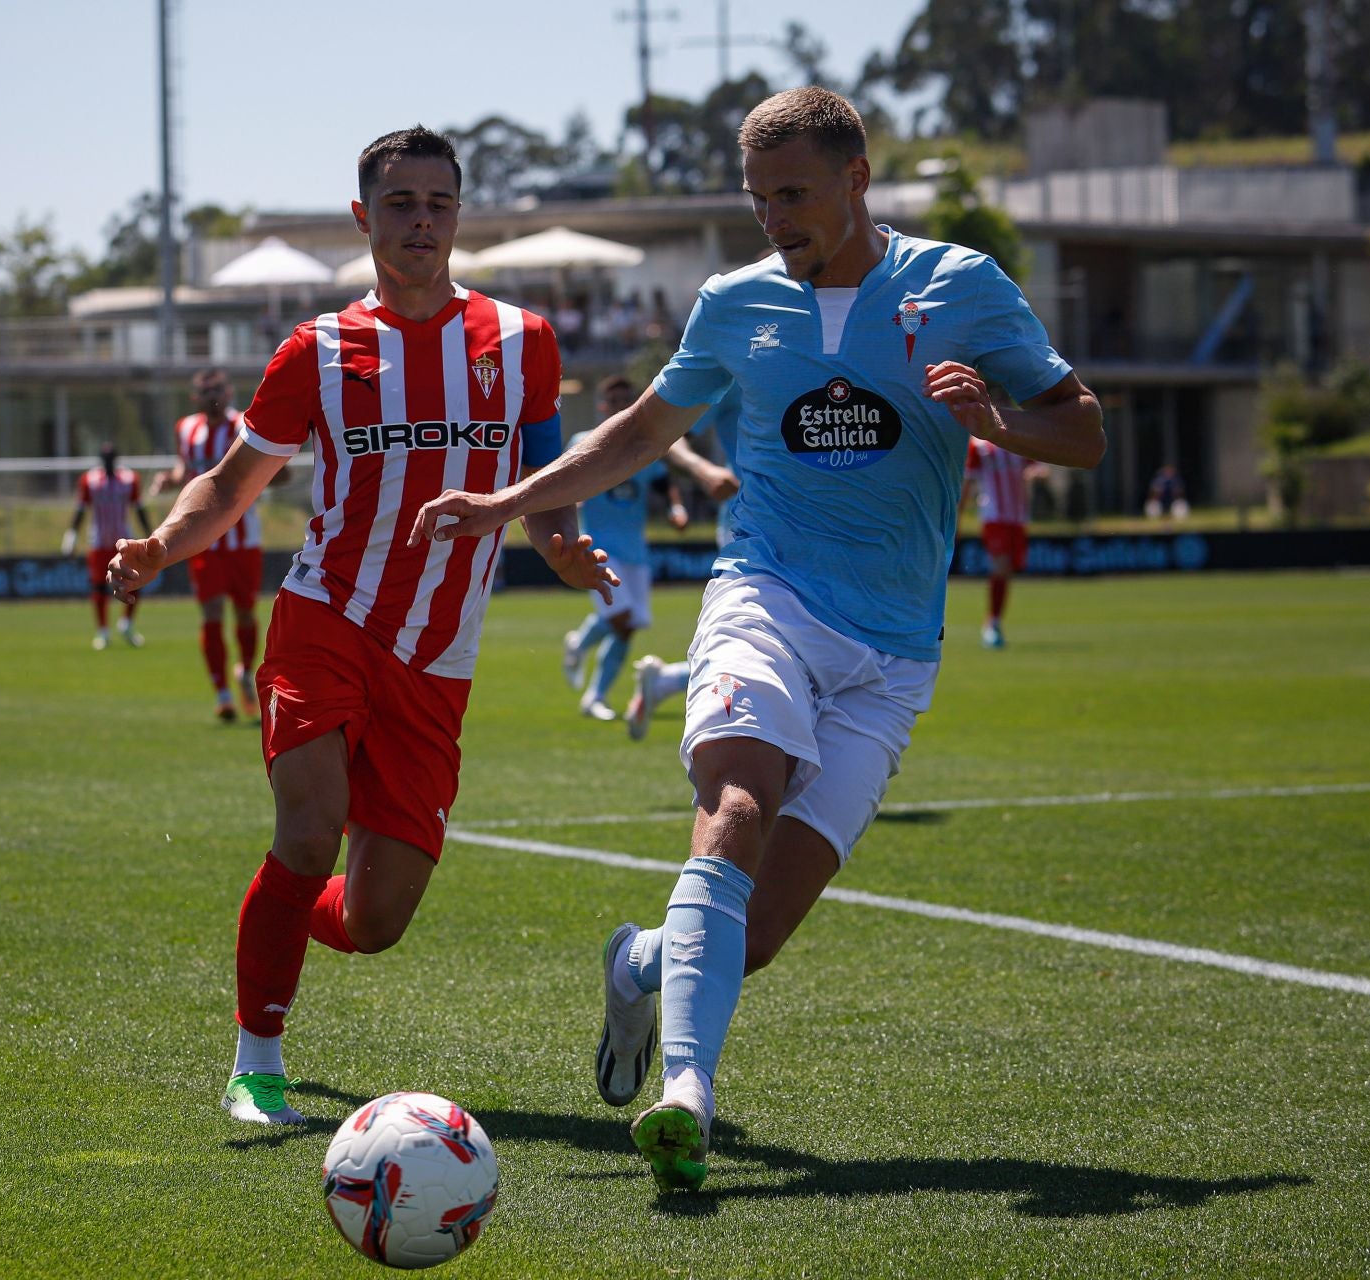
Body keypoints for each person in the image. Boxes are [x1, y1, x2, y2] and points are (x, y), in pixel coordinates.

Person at [411, 87, 1103, 1191]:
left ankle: (639, 964)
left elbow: (1086, 430)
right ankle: (688, 1089)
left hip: (893, 650)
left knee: (758, 931)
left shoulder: (961, 285)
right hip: (764, 594)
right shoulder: (732, 304)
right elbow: (637, 431)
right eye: (758, 197)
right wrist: (506, 505)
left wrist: (998, 423)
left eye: (794, 193)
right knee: (735, 804)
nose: (775, 216)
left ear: (856, 179)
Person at [107, 125, 616, 1128]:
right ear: (363, 218)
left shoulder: (525, 343)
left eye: (437, 203)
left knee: (377, 920)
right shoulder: (319, 350)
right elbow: (231, 481)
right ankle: (257, 1063)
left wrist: (560, 540)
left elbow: (551, 483)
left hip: (439, 655)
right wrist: (163, 546)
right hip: (325, 616)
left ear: (458, 216)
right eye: (399, 204)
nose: (420, 221)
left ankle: (284, 912)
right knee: (306, 826)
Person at [561, 374, 692, 721]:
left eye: (626, 400)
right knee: (620, 617)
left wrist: (676, 509)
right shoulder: (583, 440)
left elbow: (666, 485)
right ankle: (582, 651)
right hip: (599, 547)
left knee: (628, 626)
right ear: (603, 406)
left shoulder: (643, 446)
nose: (620, 406)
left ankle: (594, 691)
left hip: (636, 550)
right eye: (614, 400)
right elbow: (562, 477)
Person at [625, 391, 741, 741]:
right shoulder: (749, 358)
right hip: (749, 532)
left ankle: (667, 681)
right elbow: (670, 434)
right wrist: (703, 471)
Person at [153, 369, 266, 720]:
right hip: (203, 541)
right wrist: (170, 480)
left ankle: (245, 671)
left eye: (218, 389)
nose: (213, 395)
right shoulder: (186, 429)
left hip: (242, 539)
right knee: (211, 612)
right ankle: (221, 692)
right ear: (195, 396)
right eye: (206, 391)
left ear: (229, 391)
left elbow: (266, 465)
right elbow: (186, 470)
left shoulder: (245, 425)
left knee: (246, 612)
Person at [63, 442, 152, 650]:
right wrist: (71, 537)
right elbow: (81, 511)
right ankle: (103, 631)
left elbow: (139, 509)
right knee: (99, 587)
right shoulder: (90, 481)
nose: (109, 462)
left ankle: (127, 624)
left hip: (124, 542)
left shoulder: (130, 480)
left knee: (136, 582)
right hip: (99, 542)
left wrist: (151, 534)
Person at [961, 436, 1045, 649]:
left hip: (1017, 517)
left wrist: (1038, 473)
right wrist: (957, 519)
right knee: (1001, 565)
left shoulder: (1017, 438)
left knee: (1007, 569)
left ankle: (995, 622)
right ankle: (992, 624)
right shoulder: (979, 446)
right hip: (994, 516)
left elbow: (1037, 466)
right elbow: (968, 482)